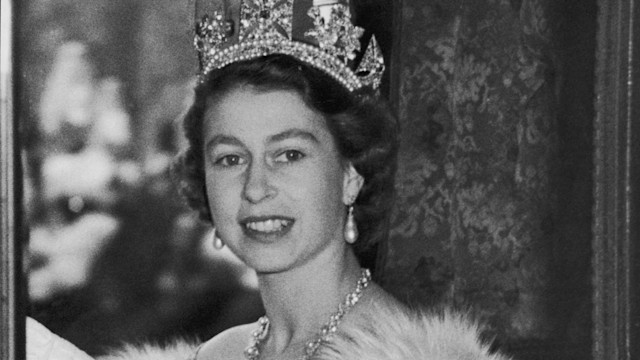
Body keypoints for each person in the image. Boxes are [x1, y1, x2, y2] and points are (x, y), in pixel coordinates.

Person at [28, 1, 511, 359]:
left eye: (289, 154)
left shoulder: (413, 354)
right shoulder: (220, 352)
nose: (256, 188)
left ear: (350, 175)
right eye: (231, 159)